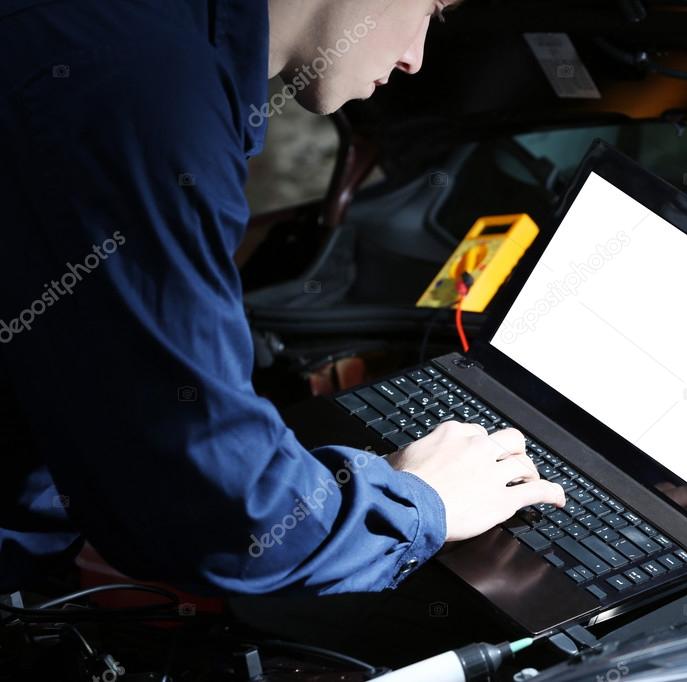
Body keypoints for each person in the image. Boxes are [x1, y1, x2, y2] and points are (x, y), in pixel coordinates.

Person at [0, 0, 565, 595]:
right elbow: (224, 515)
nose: (413, 59)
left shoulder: (136, 38)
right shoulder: (152, 102)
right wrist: (423, 502)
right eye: (430, 10)